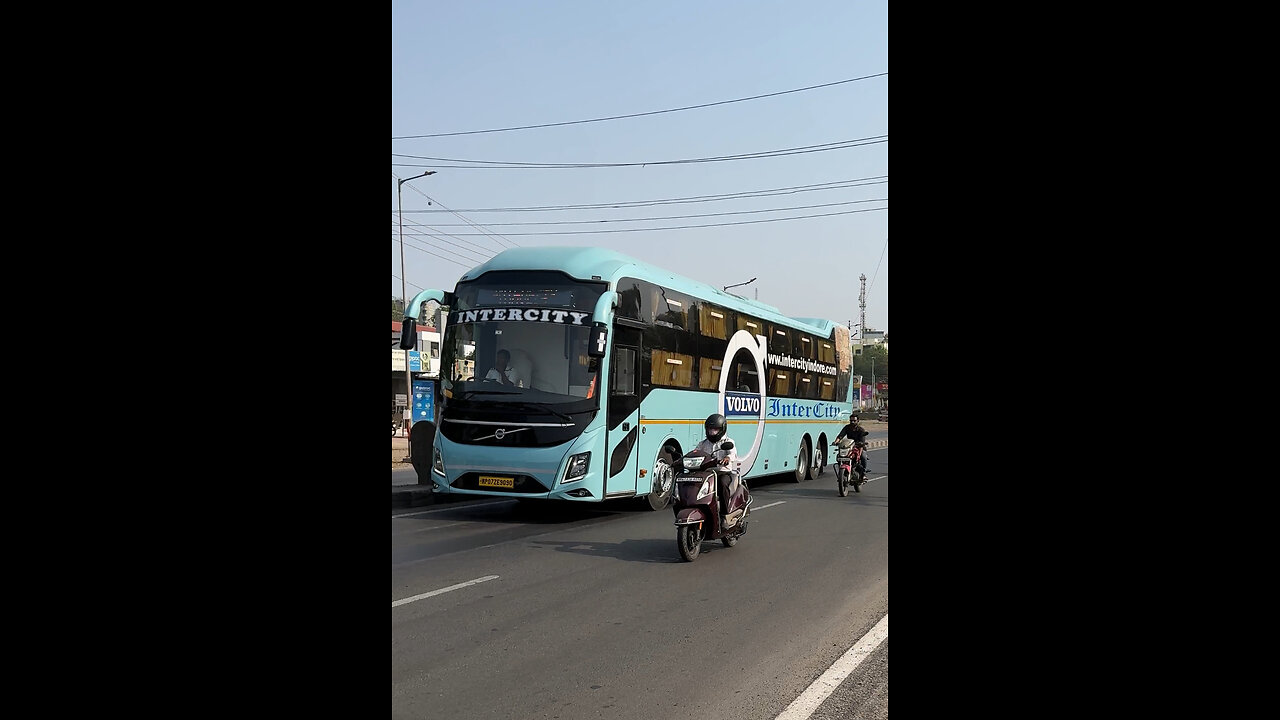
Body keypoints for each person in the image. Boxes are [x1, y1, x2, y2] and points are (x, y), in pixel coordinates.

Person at [692, 413, 739, 519]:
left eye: (715, 429)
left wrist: (727, 459)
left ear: (722, 429)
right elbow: (696, 453)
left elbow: (732, 453)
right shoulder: (703, 444)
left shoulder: (728, 442)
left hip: (723, 472)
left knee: (722, 484)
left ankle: (725, 515)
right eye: (710, 429)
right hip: (707, 473)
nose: (712, 432)